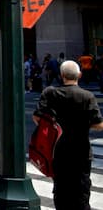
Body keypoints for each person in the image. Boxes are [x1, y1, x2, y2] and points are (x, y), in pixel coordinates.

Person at [34, 60, 103, 209]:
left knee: (61, 193)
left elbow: (37, 118)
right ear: (79, 75)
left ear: (61, 75)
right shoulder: (87, 96)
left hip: (58, 151)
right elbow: (99, 125)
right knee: (81, 193)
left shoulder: (50, 93)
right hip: (81, 152)